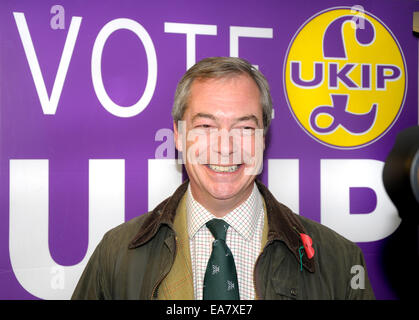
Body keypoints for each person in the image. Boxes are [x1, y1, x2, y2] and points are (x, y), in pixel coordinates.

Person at [72, 57, 375, 300]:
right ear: (178, 135)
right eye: (206, 126)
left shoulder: (340, 261)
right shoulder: (117, 255)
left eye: (244, 128)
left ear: (263, 138)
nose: (226, 147)